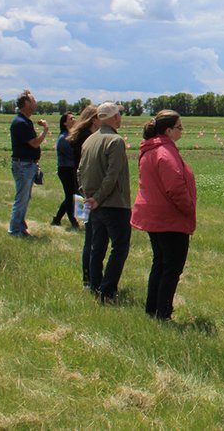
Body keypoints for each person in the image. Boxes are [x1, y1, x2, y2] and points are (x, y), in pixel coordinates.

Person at [131, 110, 196, 322]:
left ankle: (153, 308)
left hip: (153, 215)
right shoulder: (165, 153)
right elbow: (175, 188)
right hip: (169, 218)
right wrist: (189, 209)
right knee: (172, 267)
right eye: (179, 127)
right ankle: (163, 313)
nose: (182, 131)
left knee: (160, 263)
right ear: (168, 130)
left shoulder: (150, 150)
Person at [79, 102, 132, 303]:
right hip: (114, 203)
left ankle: (94, 285)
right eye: (118, 114)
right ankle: (108, 290)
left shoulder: (89, 140)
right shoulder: (116, 141)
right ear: (113, 118)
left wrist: (89, 197)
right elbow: (112, 175)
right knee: (120, 247)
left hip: (94, 203)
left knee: (97, 246)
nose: (120, 118)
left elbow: (80, 171)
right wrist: (99, 197)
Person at [67, 105, 99, 288]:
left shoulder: (78, 137)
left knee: (89, 233)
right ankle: (89, 278)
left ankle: (87, 277)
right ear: (94, 120)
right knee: (92, 235)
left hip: (80, 189)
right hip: (87, 191)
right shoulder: (88, 139)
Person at [8, 89, 48, 237]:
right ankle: (15, 230)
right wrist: (45, 129)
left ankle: (21, 227)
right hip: (23, 165)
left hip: (27, 164)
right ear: (25, 104)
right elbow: (35, 143)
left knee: (25, 198)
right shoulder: (21, 122)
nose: (35, 103)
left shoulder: (25, 121)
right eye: (33, 100)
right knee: (21, 198)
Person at [51, 111, 81, 228]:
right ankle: (73, 221)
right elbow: (71, 154)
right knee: (71, 195)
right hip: (65, 170)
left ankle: (57, 219)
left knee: (72, 194)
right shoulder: (63, 138)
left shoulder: (72, 136)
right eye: (71, 119)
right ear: (64, 123)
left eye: (74, 118)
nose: (74, 120)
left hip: (71, 169)